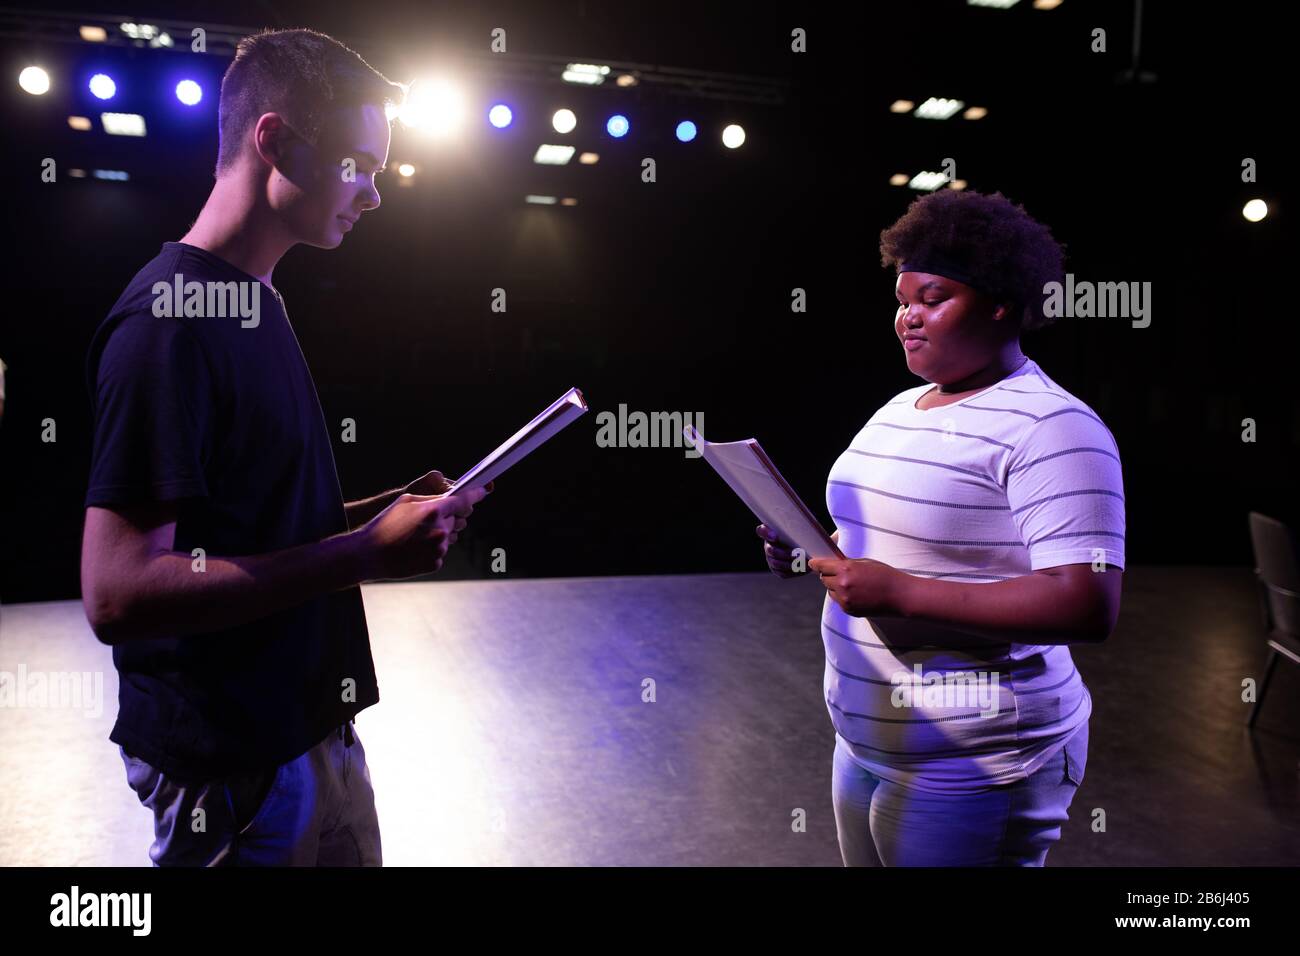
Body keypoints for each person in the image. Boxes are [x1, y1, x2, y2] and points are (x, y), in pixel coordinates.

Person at [81, 28, 489, 866]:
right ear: (275, 141)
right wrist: (358, 556)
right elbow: (116, 593)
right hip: (230, 767)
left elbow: (239, 524)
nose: (375, 194)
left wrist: (378, 518)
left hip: (312, 733)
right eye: (361, 165)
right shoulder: (167, 324)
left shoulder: (256, 297)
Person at [759, 189, 1124, 866]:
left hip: (973, 757)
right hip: (867, 741)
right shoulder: (901, 406)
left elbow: (1087, 602)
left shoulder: (1055, 426)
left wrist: (901, 594)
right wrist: (812, 549)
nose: (907, 318)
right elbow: (896, 543)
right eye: (902, 301)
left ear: (1000, 302)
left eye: (932, 298)